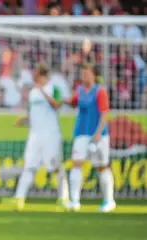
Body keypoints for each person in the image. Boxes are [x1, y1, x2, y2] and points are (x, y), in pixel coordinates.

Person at [7, 63, 68, 211]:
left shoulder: (54, 89)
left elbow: (56, 105)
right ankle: (19, 199)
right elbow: (33, 114)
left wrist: (43, 92)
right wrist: (24, 119)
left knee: (55, 167)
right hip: (34, 136)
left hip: (51, 135)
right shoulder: (33, 92)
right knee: (29, 167)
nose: (33, 75)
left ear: (42, 75)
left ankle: (64, 198)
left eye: (36, 73)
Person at [63, 64, 115, 213]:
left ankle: (109, 200)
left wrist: (98, 133)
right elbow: (74, 103)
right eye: (82, 73)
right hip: (81, 133)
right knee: (76, 164)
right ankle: (74, 201)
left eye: (86, 73)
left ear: (93, 75)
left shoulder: (100, 91)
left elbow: (104, 113)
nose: (84, 76)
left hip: (98, 135)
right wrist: (61, 99)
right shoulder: (79, 90)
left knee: (102, 166)